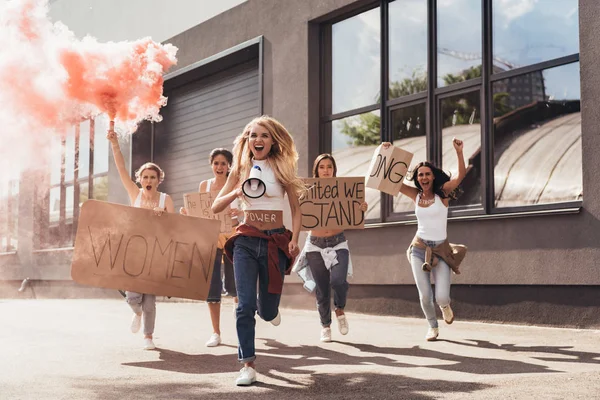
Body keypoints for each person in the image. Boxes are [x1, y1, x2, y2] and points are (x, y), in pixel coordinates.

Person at [212, 116, 304, 386]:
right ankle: (248, 365)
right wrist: (236, 193)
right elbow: (216, 206)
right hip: (245, 240)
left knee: (266, 311)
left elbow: (297, 210)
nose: (257, 140)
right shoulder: (240, 170)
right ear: (247, 140)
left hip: (275, 241)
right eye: (252, 135)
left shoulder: (281, 167)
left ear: (273, 140)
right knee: (245, 305)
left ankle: (270, 310)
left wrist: (295, 239)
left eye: (263, 135)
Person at [383, 138, 467, 342]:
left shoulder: (443, 194)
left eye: (427, 174)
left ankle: (445, 306)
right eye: (420, 175)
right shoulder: (415, 195)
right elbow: (391, 180)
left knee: (441, 297)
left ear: (433, 176)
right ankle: (432, 326)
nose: (424, 177)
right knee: (424, 295)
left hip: (441, 251)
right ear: (417, 179)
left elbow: (460, 177)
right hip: (419, 249)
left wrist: (459, 152)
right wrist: (387, 154)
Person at [107, 126, 174, 350]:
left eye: (152, 177)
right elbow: (121, 169)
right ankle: (135, 313)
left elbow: (176, 228)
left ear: (158, 180)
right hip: (135, 253)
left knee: (150, 301)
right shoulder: (135, 194)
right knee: (133, 297)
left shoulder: (166, 199)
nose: (148, 179)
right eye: (145, 176)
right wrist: (115, 144)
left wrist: (163, 216)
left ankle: (149, 336)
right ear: (140, 179)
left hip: (156, 253)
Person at [292, 154, 367, 343]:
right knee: (322, 289)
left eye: (329, 167)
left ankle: (339, 308)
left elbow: (351, 212)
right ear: (316, 170)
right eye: (322, 167)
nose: (326, 170)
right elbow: (299, 214)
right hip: (315, 245)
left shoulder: (343, 190)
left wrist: (361, 208)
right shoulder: (307, 191)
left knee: (338, 280)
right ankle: (325, 326)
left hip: (338, 242)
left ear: (334, 170)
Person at [180, 148, 239, 348]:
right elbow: (200, 214)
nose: (219, 167)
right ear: (211, 165)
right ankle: (216, 332)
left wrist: (238, 213)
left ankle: (241, 319)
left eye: (223, 163)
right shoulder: (204, 185)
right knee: (212, 289)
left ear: (229, 165)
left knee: (236, 286)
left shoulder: (235, 185)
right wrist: (188, 213)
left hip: (232, 239)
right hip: (210, 241)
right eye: (216, 163)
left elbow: (244, 213)